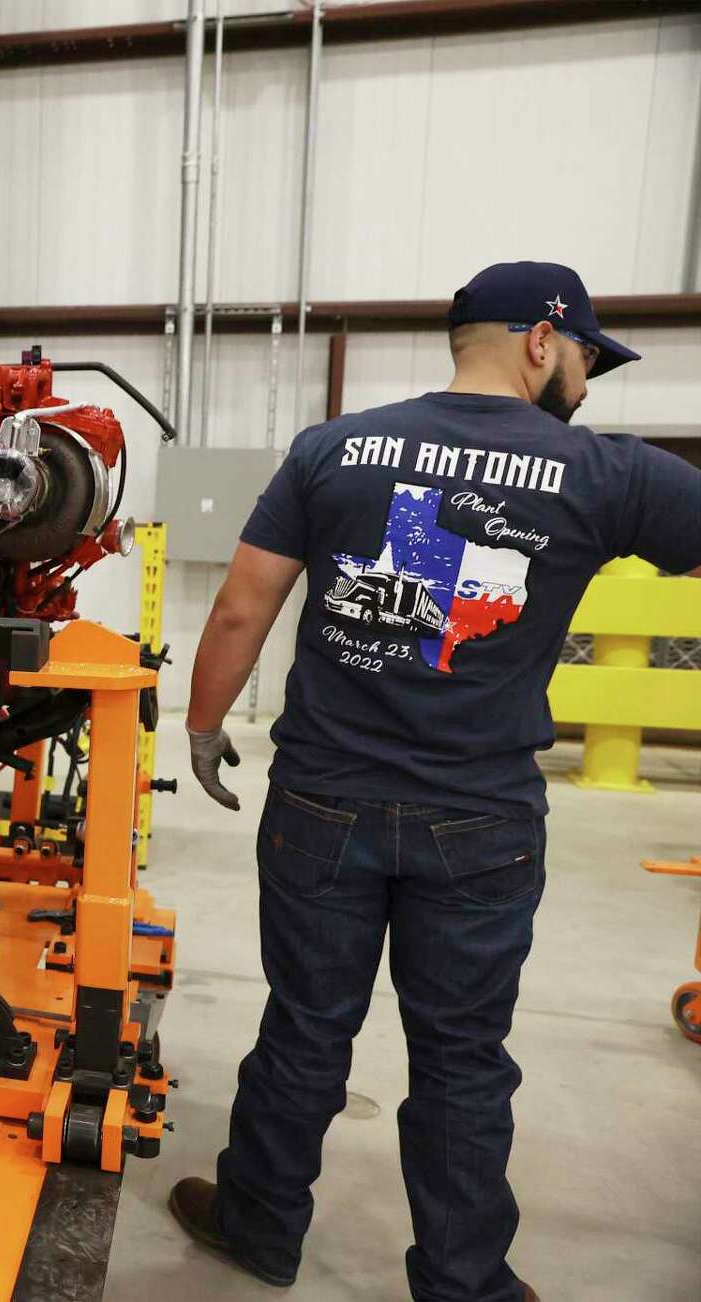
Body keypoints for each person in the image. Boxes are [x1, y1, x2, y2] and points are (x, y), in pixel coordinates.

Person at [169, 260, 701, 1301]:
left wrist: (200, 728)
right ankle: (464, 1284)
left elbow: (242, 607)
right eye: (588, 358)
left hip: (324, 799)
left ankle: (259, 1225)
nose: (588, 386)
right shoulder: (606, 472)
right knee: (463, 1057)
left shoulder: (331, 449)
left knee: (305, 1025)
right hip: (482, 818)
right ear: (542, 343)